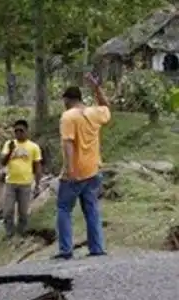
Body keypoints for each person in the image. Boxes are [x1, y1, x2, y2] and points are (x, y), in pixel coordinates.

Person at [54, 73, 111, 259]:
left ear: (67, 100)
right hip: (93, 170)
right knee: (92, 209)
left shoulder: (68, 117)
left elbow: (68, 143)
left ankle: (65, 250)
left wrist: (69, 169)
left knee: (63, 209)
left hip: (76, 172)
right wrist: (96, 88)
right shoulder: (94, 113)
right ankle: (97, 248)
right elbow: (106, 107)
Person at [0, 119, 42, 239]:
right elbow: (2, 162)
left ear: (26, 131)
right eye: (16, 131)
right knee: (8, 210)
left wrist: (37, 183)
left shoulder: (33, 147)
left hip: (25, 183)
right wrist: (11, 151)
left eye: (21, 131)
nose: (18, 133)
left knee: (23, 212)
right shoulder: (9, 144)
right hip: (10, 182)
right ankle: (9, 234)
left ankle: (21, 233)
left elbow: (37, 166)